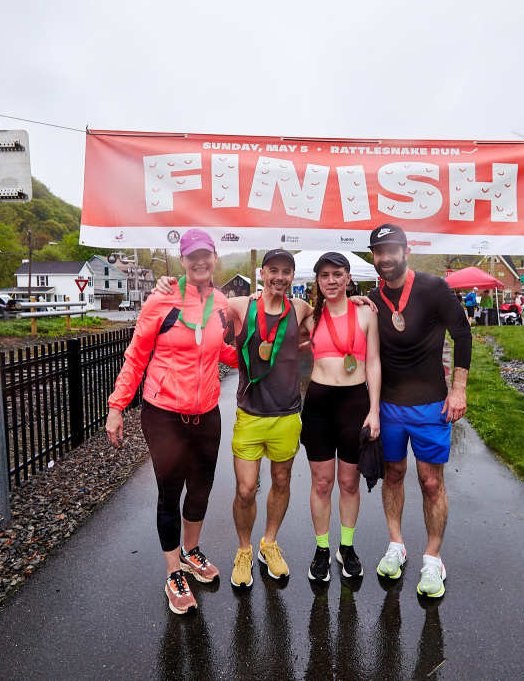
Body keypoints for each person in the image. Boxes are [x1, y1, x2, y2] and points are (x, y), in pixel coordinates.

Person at [155, 249, 315, 588]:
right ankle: (244, 549)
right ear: (262, 272)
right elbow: (201, 310)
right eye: (274, 270)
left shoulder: (300, 309)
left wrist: (361, 301)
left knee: (282, 482)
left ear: (292, 275)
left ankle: (269, 543)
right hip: (251, 413)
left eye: (287, 271)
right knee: (245, 490)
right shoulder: (240, 306)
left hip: (288, 414)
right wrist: (172, 285)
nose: (280, 277)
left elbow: (330, 318)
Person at [104, 229, 238, 616]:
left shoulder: (221, 303)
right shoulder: (161, 299)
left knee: (201, 488)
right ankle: (173, 570)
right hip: (163, 413)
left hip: (206, 412)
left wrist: (262, 355)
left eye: (206, 255)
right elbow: (136, 357)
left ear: (215, 258)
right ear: (183, 260)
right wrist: (117, 406)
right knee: (170, 491)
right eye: (192, 256)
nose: (200, 262)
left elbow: (222, 352)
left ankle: (193, 551)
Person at [366, 223, 472, 598]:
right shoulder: (372, 300)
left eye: (391, 250)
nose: (385, 259)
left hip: (430, 404)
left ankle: (432, 557)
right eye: (378, 253)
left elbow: (462, 334)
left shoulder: (433, 288)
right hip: (390, 405)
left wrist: (458, 388)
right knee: (393, 475)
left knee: (431, 482)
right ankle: (396, 544)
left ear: (406, 250)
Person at [300, 252, 381, 582]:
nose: (331, 281)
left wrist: (374, 410)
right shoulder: (309, 314)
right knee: (322, 483)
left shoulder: (365, 313)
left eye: (337, 274)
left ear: (348, 277)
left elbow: (374, 361)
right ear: (317, 280)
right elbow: (265, 300)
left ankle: (346, 547)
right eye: (324, 275)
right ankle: (321, 548)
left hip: (354, 403)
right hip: (319, 404)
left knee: (349, 482)